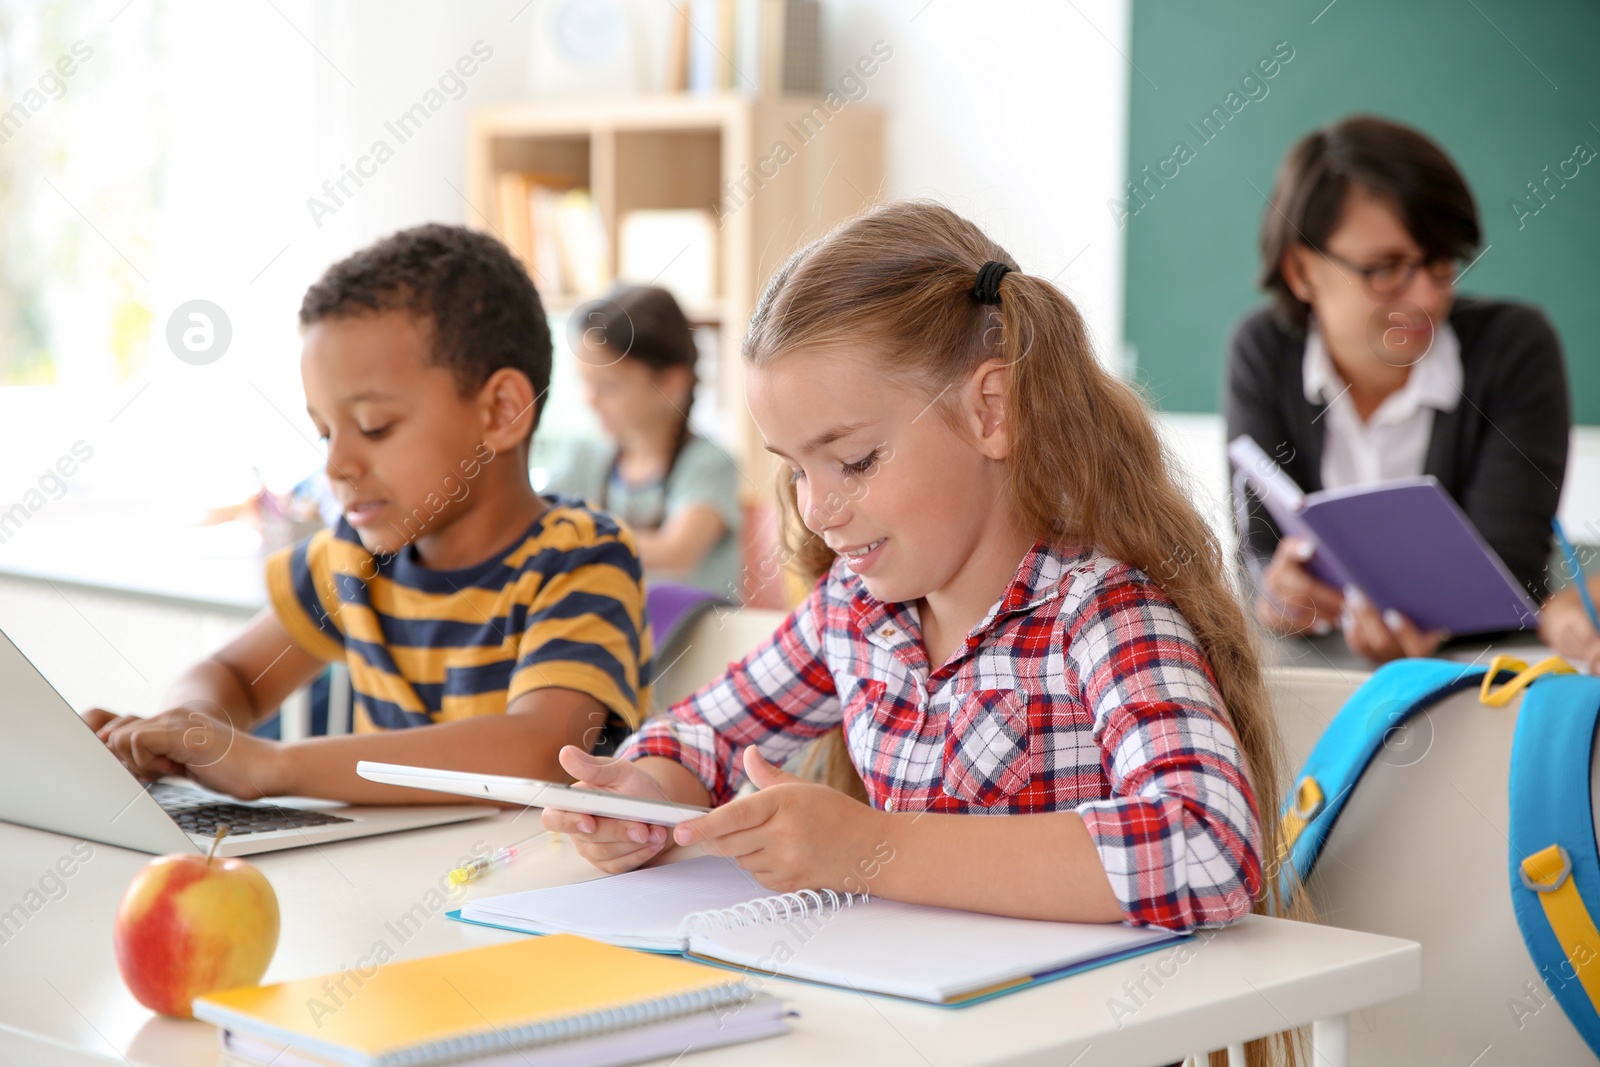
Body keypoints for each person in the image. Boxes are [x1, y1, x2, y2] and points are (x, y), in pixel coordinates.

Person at [540, 200, 1294, 950]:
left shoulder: (1100, 613)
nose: (816, 511)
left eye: (856, 460)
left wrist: (873, 848)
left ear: (989, 411)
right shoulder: (857, 610)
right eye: (796, 469)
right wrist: (646, 797)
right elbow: (704, 733)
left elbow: (1206, 846)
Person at [84, 224, 650, 802]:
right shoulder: (352, 559)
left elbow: (538, 752)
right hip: (392, 880)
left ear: (502, 411)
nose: (337, 464)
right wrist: (191, 728)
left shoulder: (579, 557)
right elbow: (232, 676)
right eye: (326, 432)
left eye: (374, 426)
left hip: (527, 884)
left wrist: (274, 765)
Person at [1227, 115, 1570, 664]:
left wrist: (1437, 623)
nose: (1427, 299)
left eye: (1440, 264)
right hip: (1316, 679)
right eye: (1386, 268)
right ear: (1301, 269)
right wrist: (1279, 593)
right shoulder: (1264, 351)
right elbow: (1260, 551)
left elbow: (1511, 574)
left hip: (1485, 682)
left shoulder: (1514, 349)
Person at [542, 286, 742, 598]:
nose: (590, 401)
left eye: (607, 386)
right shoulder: (586, 457)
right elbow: (534, 521)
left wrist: (568, 537)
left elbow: (676, 554)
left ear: (671, 385)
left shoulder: (710, 463)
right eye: (585, 382)